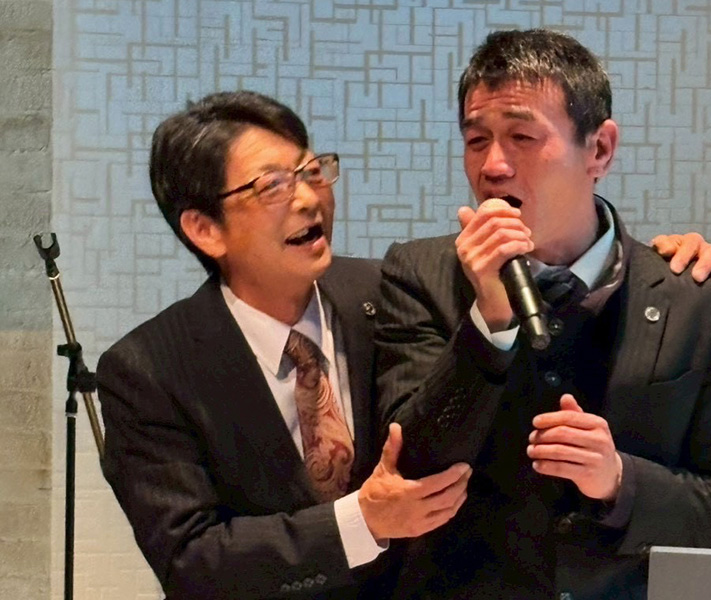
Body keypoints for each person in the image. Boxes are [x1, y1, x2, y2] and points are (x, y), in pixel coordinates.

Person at [375, 29, 711, 600]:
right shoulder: (418, 274)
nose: (493, 166)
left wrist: (620, 482)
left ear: (600, 150)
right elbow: (409, 469)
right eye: (476, 139)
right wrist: (490, 320)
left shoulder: (696, 297)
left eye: (522, 136)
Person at [96, 91, 473, 600]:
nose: (309, 199)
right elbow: (191, 560)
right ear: (205, 229)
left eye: (312, 171)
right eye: (272, 185)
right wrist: (361, 522)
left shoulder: (391, 293)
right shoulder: (148, 370)